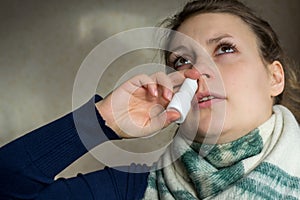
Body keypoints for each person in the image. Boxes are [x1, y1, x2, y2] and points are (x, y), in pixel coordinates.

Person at [1, 0, 300, 199]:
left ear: (275, 77)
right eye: (182, 61)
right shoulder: (131, 189)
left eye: (224, 49)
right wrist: (103, 119)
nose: (198, 72)